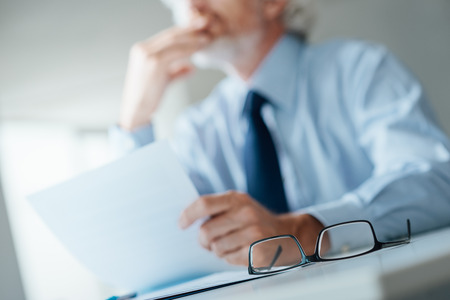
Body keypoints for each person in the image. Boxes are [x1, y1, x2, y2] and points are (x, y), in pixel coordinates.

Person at [111, 0, 450, 266]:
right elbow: (153, 250)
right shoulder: (198, 130)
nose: (191, 6)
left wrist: (304, 231)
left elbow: (435, 184)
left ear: (273, 1)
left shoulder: (361, 69)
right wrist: (134, 119)